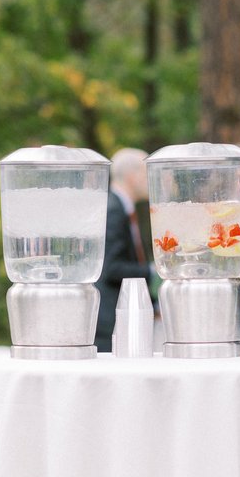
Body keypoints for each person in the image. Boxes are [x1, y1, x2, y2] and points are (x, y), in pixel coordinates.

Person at [95, 148, 154, 353]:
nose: (150, 180)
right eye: (147, 173)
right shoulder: (113, 210)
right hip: (109, 321)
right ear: (132, 175)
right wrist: (153, 272)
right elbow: (110, 268)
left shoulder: (122, 208)